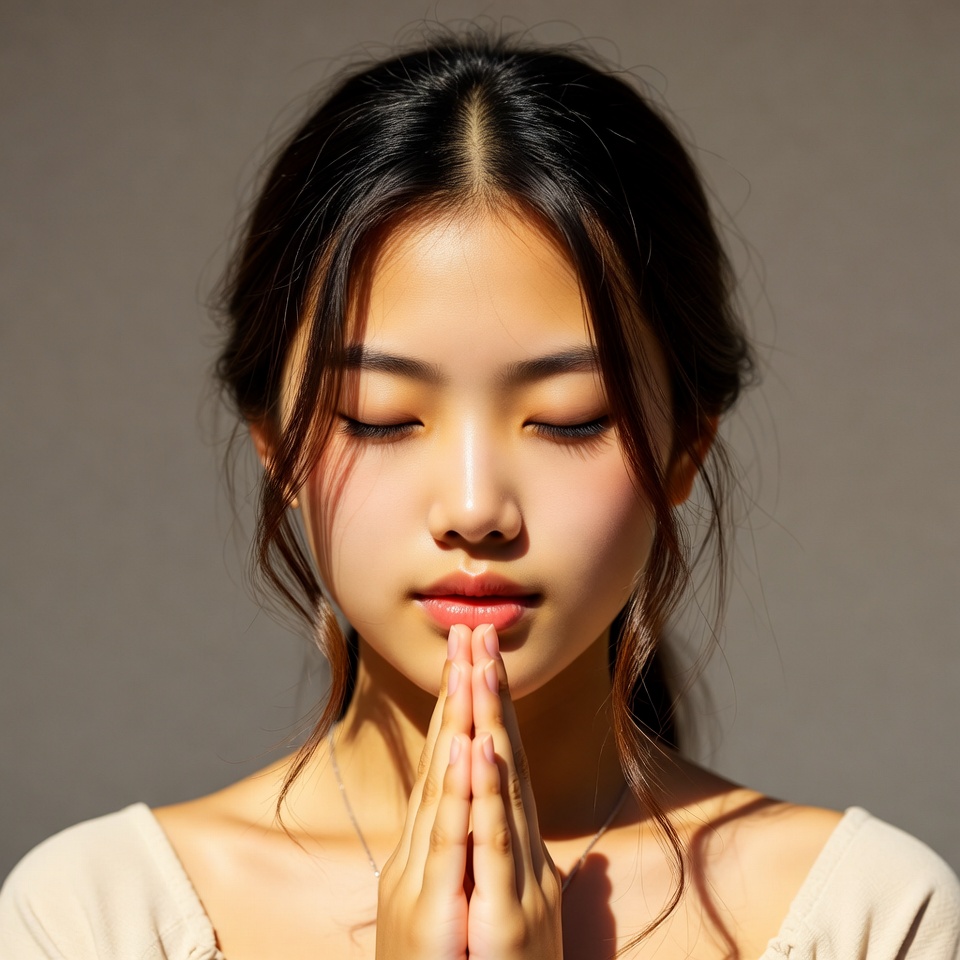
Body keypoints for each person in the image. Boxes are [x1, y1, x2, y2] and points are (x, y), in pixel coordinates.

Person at [1, 30, 957, 960]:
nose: (474, 507)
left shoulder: (867, 919)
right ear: (275, 449)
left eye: (571, 416)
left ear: (684, 450)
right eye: (378, 416)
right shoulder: (97, 919)